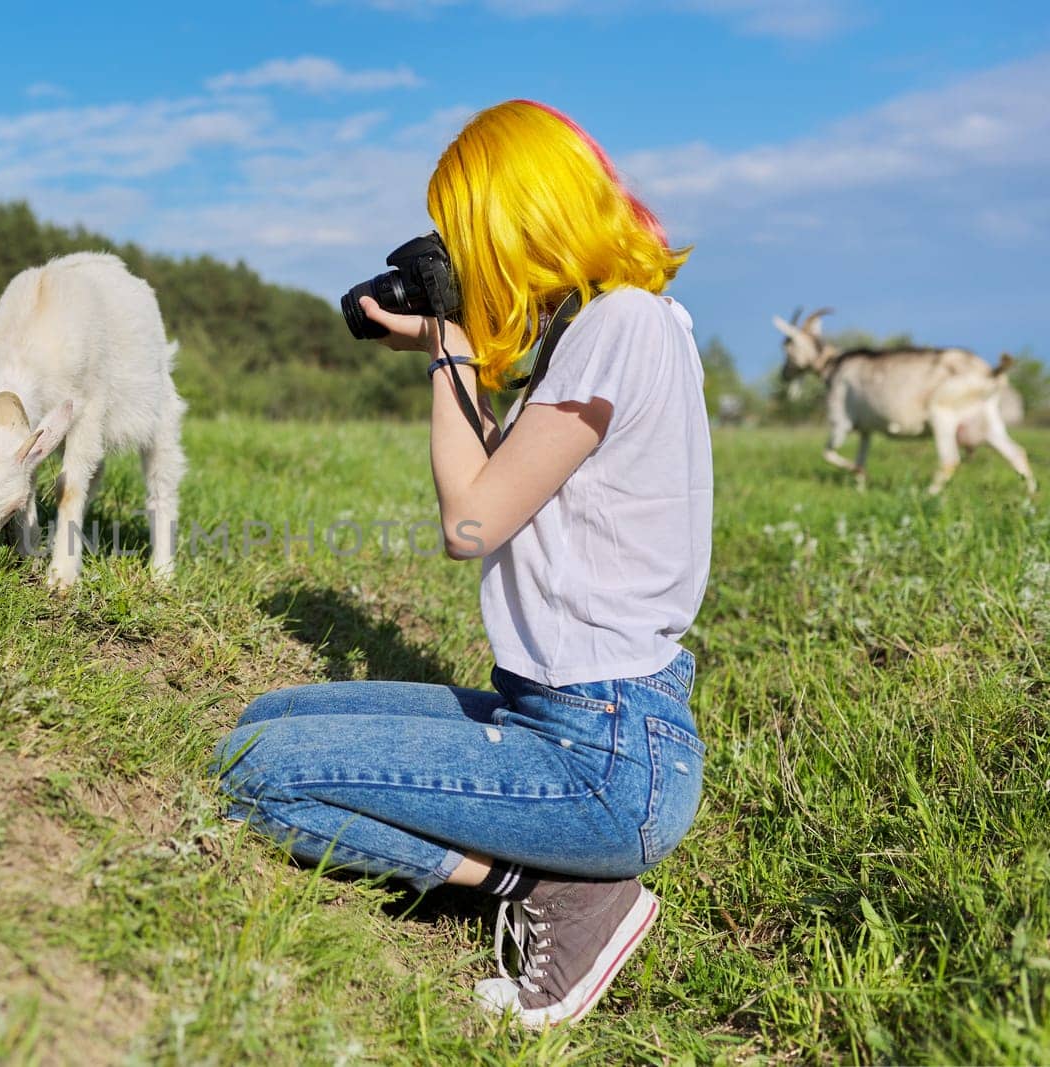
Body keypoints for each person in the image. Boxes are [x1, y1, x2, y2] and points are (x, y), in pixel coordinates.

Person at [211, 100, 712, 1029]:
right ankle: (555, 869)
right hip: (578, 720)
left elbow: (472, 524)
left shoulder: (620, 327)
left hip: (600, 749)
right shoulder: (623, 325)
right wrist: (454, 355)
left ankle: (554, 890)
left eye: (465, 233)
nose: (463, 259)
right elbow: (504, 488)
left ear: (515, 218)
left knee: (254, 771)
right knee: (264, 718)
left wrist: (450, 347)